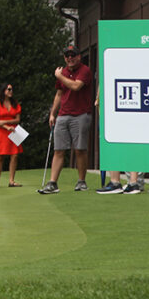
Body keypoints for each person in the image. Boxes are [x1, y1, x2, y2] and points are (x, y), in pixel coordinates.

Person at [38, 43, 94, 195]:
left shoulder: (84, 71)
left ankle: (81, 182)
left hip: (81, 114)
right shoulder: (62, 72)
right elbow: (59, 94)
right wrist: (52, 114)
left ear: (78, 56)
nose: (70, 58)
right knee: (58, 150)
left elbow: (76, 86)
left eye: (73, 55)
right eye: (67, 56)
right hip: (63, 115)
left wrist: (59, 76)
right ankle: (52, 183)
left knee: (80, 149)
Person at [0, 83, 22, 188]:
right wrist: (7, 126)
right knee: (0, 156)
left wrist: (5, 122)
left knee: (15, 155)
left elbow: (17, 119)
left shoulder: (15, 104)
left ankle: (11, 181)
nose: (11, 91)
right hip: (1, 132)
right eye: (9, 89)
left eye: (12, 89)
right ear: (4, 91)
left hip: (14, 131)